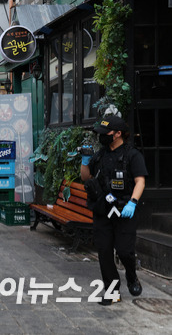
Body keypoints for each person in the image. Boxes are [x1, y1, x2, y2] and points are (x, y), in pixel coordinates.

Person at [80, 115, 148, 305]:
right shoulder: (100, 155)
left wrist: (133, 202)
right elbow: (86, 177)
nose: (102, 136)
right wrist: (85, 161)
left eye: (106, 133)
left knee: (125, 251)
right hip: (103, 210)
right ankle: (112, 291)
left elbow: (140, 181)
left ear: (118, 134)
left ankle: (132, 276)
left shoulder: (132, 155)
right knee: (104, 252)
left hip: (124, 210)